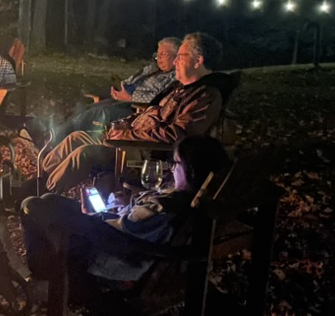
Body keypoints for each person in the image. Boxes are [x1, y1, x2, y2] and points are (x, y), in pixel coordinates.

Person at [20, 135, 230, 293]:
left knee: (32, 206)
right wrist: (127, 205)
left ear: (191, 171)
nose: (171, 169)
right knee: (49, 201)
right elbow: (139, 225)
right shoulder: (186, 200)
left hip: (112, 256)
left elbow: (120, 232)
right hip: (124, 243)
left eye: (176, 164)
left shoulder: (165, 207)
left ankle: (42, 269)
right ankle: (44, 261)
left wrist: (96, 217)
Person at [28, 32, 229, 196]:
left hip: (143, 153)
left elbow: (178, 136)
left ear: (198, 61)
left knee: (84, 153)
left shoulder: (206, 97)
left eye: (181, 56)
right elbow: (150, 113)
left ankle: (44, 193)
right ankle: (39, 181)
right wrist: (121, 126)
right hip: (129, 140)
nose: (175, 61)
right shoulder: (180, 88)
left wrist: (126, 135)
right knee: (75, 138)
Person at [36, 37, 180, 145]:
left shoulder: (174, 77)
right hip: (123, 100)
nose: (158, 58)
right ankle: (51, 132)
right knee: (84, 106)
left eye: (164, 54)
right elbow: (130, 81)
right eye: (157, 54)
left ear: (176, 56)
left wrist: (129, 97)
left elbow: (158, 100)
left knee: (98, 113)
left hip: (137, 110)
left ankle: (50, 140)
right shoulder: (152, 69)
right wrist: (119, 88)